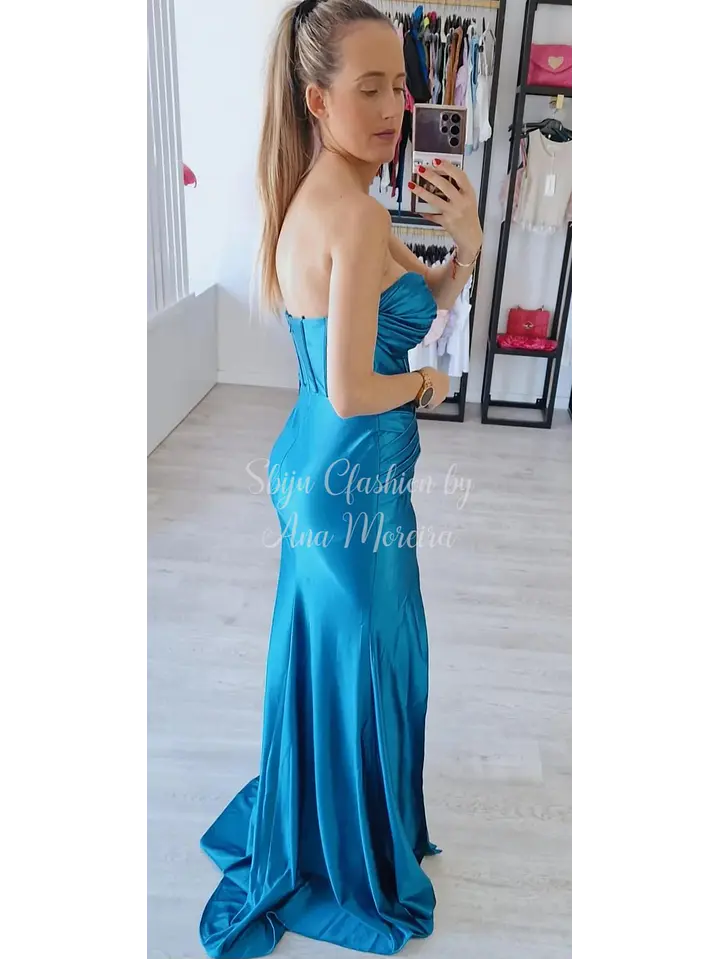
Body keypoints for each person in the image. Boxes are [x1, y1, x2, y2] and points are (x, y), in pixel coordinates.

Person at [198, 2, 483, 956]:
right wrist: (430, 383)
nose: (394, 107)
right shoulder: (353, 213)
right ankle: (348, 850)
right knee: (369, 659)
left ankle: (330, 821)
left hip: (321, 466)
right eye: (369, 89)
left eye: (399, 84)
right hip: (349, 474)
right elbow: (360, 384)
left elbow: (421, 297)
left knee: (341, 656)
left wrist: (466, 242)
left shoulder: (326, 194)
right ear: (317, 101)